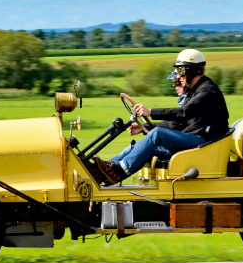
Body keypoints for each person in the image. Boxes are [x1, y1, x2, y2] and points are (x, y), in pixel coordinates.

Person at [93, 49, 229, 185]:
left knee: (157, 134)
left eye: (181, 71)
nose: (179, 77)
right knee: (140, 145)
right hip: (195, 141)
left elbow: (183, 112)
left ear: (193, 70)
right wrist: (143, 127)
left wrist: (150, 112)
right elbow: (178, 124)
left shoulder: (208, 90)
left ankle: (118, 170)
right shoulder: (194, 91)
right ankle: (104, 172)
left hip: (204, 144)